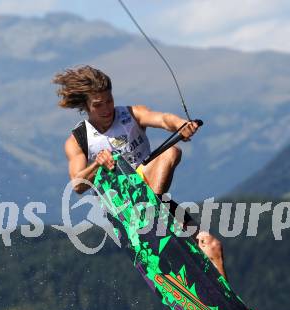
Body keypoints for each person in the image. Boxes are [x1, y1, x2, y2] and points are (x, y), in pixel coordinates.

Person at [53, 65, 227, 279]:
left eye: (109, 100)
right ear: (86, 106)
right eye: (99, 105)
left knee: (211, 246)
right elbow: (77, 185)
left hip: (154, 196)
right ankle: (148, 218)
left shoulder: (131, 114)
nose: (107, 109)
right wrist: (97, 163)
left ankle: (228, 308)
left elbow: (163, 119)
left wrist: (181, 124)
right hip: (123, 207)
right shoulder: (78, 140)